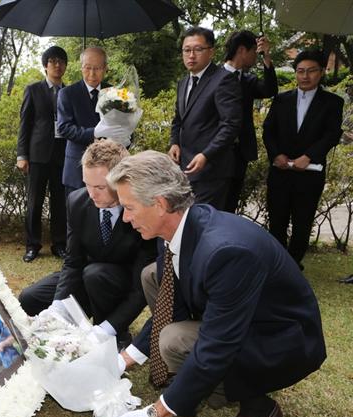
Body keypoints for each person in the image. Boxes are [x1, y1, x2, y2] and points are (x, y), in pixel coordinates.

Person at [105, 150, 326, 417]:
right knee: (153, 275)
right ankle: (199, 382)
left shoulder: (227, 252)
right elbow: (168, 304)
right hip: (245, 322)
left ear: (159, 204)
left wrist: (154, 414)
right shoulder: (174, 228)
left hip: (283, 340)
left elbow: (218, 343)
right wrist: (123, 359)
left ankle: (257, 407)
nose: (124, 218)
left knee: (174, 340)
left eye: (130, 207)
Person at [19, 140, 157, 350]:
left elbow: (140, 290)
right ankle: (75, 322)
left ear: (121, 180)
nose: (92, 194)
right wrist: (58, 309)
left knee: (96, 274)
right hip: (86, 276)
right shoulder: (77, 201)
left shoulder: (140, 210)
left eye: (100, 187)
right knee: (29, 299)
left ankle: (115, 333)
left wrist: (108, 329)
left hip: (120, 284)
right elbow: (73, 263)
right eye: (87, 184)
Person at [263, 50, 343, 270]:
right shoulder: (281, 99)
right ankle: (278, 264)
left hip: (310, 172)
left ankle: (293, 263)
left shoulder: (332, 102)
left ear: (322, 72)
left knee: (302, 222)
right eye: (300, 71)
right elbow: (268, 130)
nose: (305, 76)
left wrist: (308, 156)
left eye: (311, 71)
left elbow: (332, 134)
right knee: (277, 220)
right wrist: (276, 154)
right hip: (280, 171)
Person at [169, 27, 242, 211]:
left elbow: (231, 125)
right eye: (187, 50)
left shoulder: (223, 80)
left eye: (198, 49)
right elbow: (179, 119)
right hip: (185, 169)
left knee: (203, 225)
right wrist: (174, 142)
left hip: (211, 171)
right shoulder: (183, 82)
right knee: (187, 224)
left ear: (211, 51)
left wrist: (206, 155)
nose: (191, 55)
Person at [16, 46, 69, 263]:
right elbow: (25, 124)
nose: (57, 65)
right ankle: (32, 245)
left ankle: (59, 244)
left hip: (63, 155)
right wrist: (22, 155)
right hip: (37, 155)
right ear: (45, 65)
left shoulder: (69, 91)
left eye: (61, 61)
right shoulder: (33, 90)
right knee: (34, 202)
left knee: (60, 203)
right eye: (53, 61)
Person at [57, 47, 127, 196]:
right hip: (77, 169)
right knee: (77, 216)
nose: (92, 74)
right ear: (81, 67)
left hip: (109, 168)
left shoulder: (115, 93)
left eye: (97, 68)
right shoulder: (67, 93)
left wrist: (125, 137)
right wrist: (94, 132)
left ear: (105, 68)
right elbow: (64, 128)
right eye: (88, 68)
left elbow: (125, 127)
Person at [223, 31, 278, 213]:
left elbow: (269, 90)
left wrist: (266, 56)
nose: (256, 55)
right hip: (216, 155)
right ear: (242, 50)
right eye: (255, 50)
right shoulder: (212, 77)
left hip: (240, 155)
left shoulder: (248, 80)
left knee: (230, 205)